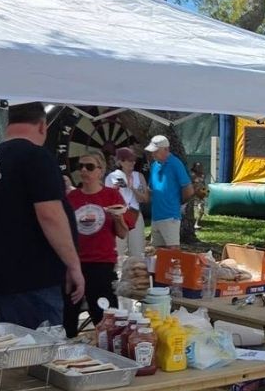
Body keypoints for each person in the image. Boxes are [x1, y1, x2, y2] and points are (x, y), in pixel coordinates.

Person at [0, 103, 87, 391]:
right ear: (42, 126)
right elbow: (49, 214)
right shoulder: (34, 156)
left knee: (16, 361)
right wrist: (74, 265)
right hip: (31, 274)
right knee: (40, 360)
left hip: (3, 271)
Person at [64, 153, 134, 334]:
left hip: (101, 263)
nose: (83, 171)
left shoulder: (112, 196)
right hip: (74, 263)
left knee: (104, 318)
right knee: (68, 317)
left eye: (89, 167)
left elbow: (122, 233)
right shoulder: (71, 198)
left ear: (100, 171)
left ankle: (107, 352)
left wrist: (117, 219)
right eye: (80, 167)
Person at [108, 147, 150, 303]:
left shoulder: (139, 176)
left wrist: (132, 188)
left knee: (137, 253)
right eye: (127, 160)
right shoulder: (112, 176)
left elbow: (145, 198)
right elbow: (110, 196)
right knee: (117, 252)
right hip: (119, 214)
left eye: (133, 160)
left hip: (134, 213)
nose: (131, 163)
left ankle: (136, 290)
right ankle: (116, 288)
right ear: (120, 162)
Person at [144, 135, 192, 250]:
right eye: (152, 151)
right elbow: (151, 188)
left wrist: (179, 203)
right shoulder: (155, 165)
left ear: (166, 149)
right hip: (156, 216)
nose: (153, 154)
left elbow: (188, 189)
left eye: (155, 151)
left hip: (170, 215)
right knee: (158, 251)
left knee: (172, 250)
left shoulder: (176, 164)